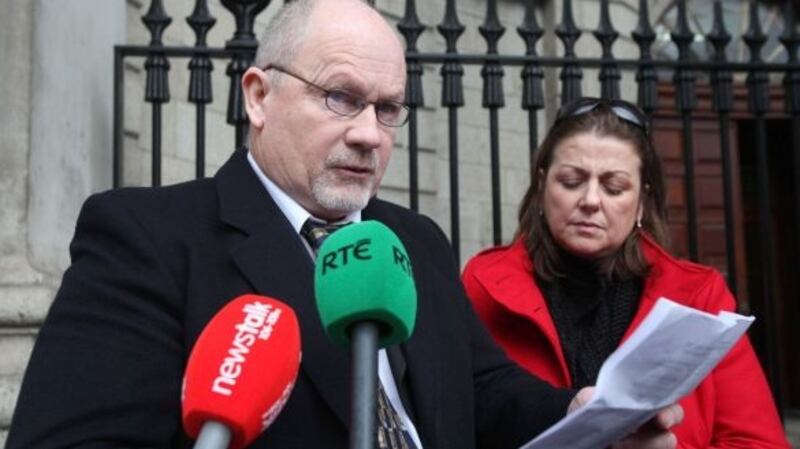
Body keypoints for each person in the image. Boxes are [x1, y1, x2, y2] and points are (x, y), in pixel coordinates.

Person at [6, 2, 681, 448]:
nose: (368, 135)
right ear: (259, 96)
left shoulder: (415, 241)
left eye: (388, 110)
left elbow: (482, 389)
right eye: (341, 97)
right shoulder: (146, 238)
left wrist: (586, 417)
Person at [462, 97, 791, 449]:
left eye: (614, 187)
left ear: (642, 201)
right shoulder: (484, 285)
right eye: (571, 181)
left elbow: (759, 442)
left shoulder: (700, 296)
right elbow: (450, 421)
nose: (590, 200)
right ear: (542, 186)